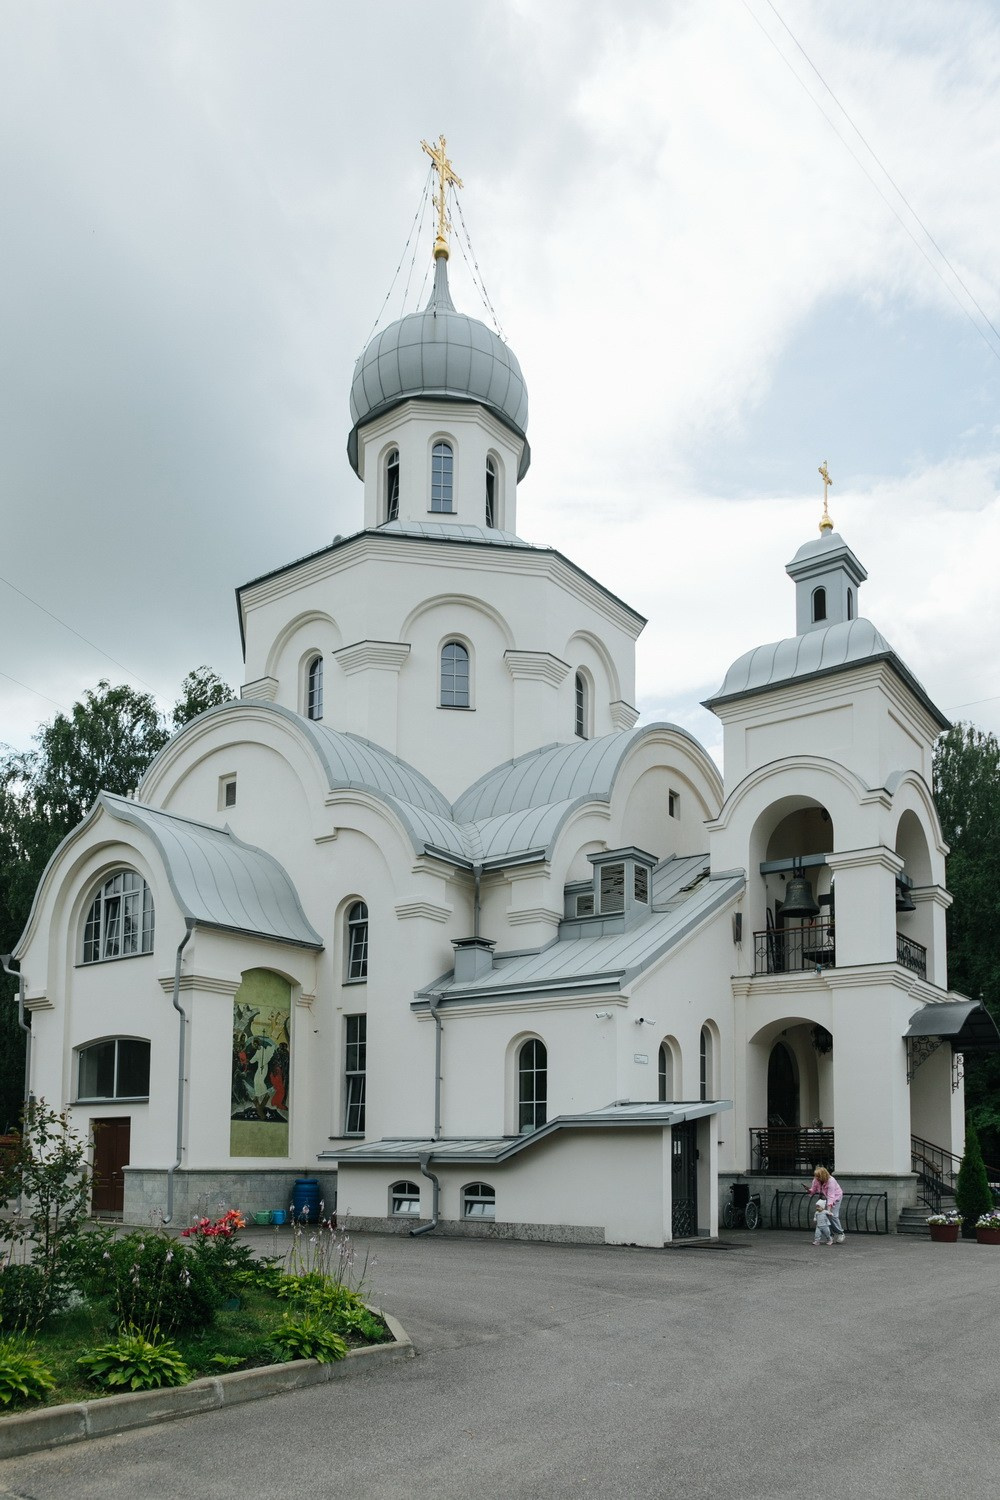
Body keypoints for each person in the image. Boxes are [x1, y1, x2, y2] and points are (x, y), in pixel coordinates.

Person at [804, 1165, 845, 1243]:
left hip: (836, 1197)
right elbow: (813, 1190)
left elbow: (831, 1196)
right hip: (824, 1197)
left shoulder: (831, 1181)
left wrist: (829, 1210)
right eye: (816, 1176)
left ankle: (840, 1233)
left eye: (818, 1176)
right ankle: (831, 1235)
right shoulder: (816, 1180)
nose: (816, 1178)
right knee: (824, 1216)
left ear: (823, 1175)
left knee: (833, 1216)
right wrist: (808, 1190)